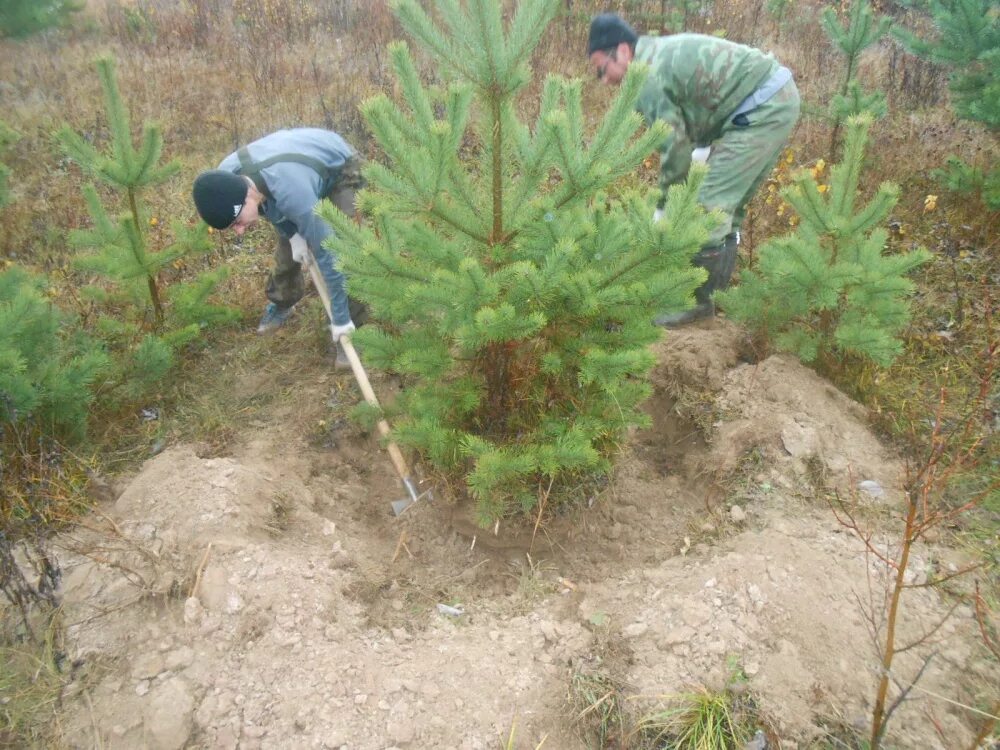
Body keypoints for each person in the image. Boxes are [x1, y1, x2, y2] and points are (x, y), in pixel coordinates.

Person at [588, 14, 800, 326]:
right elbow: (697, 106)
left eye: (601, 69)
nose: (604, 80)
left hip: (761, 108)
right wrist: (701, 150)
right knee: (728, 209)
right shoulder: (656, 52)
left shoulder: (646, 76)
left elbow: (673, 147)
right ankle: (714, 298)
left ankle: (695, 308)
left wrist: (664, 208)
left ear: (621, 51)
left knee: (709, 206)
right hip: (775, 97)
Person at [192, 128, 367, 356]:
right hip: (291, 173)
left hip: (338, 166)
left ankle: (349, 330)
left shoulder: (293, 194)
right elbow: (267, 203)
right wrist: (293, 235)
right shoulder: (225, 179)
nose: (239, 232)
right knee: (287, 254)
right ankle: (283, 301)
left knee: (344, 251)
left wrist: (341, 319)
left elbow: (329, 254)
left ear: (246, 197)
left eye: (237, 223)